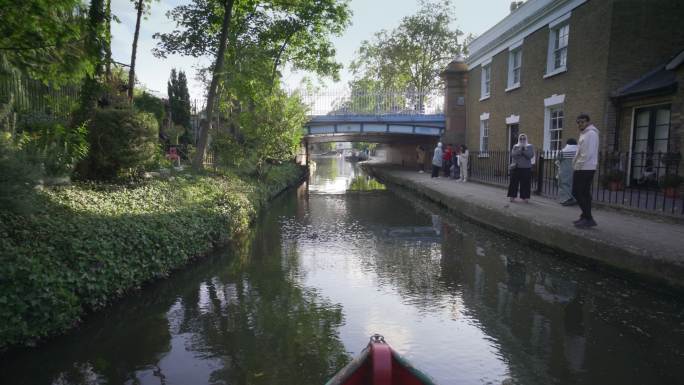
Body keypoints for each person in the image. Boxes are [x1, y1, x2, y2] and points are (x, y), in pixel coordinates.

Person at [572, 114, 599, 228]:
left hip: (585, 167)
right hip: (583, 167)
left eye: (582, 122)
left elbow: (588, 153)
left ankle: (588, 218)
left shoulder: (591, 134)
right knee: (584, 193)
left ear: (588, 122)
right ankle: (585, 216)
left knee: (577, 192)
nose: (580, 124)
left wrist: (577, 166)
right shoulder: (584, 134)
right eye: (578, 122)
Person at [507, 133, 535, 202]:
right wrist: (520, 149)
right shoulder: (515, 146)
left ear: (526, 139)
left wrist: (524, 150)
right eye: (521, 139)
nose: (522, 140)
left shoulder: (530, 146)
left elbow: (530, 155)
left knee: (525, 183)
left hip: (526, 168)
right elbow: (513, 155)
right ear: (519, 139)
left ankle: (525, 197)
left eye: (524, 138)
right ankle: (512, 196)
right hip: (516, 167)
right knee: (513, 183)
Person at [556, 138, 578, 205]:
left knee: (564, 185)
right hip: (576, 170)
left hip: (564, 170)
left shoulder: (563, 151)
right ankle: (574, 199)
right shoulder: (578, 151)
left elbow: (558, 159)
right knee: (574, 185)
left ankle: (566, 199)